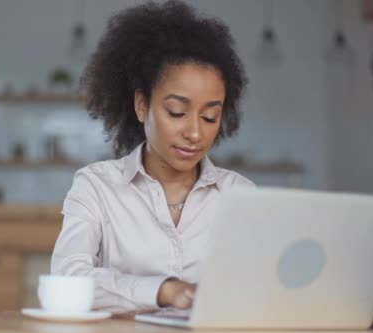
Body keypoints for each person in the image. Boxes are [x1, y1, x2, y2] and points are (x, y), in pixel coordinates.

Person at [51, 0, 253, 313]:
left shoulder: (241, 196)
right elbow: (67, 278)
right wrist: (163, 291)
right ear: (142, 105)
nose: (195, 133)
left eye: (210, 116)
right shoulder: (96, 187)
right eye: (177, 112)